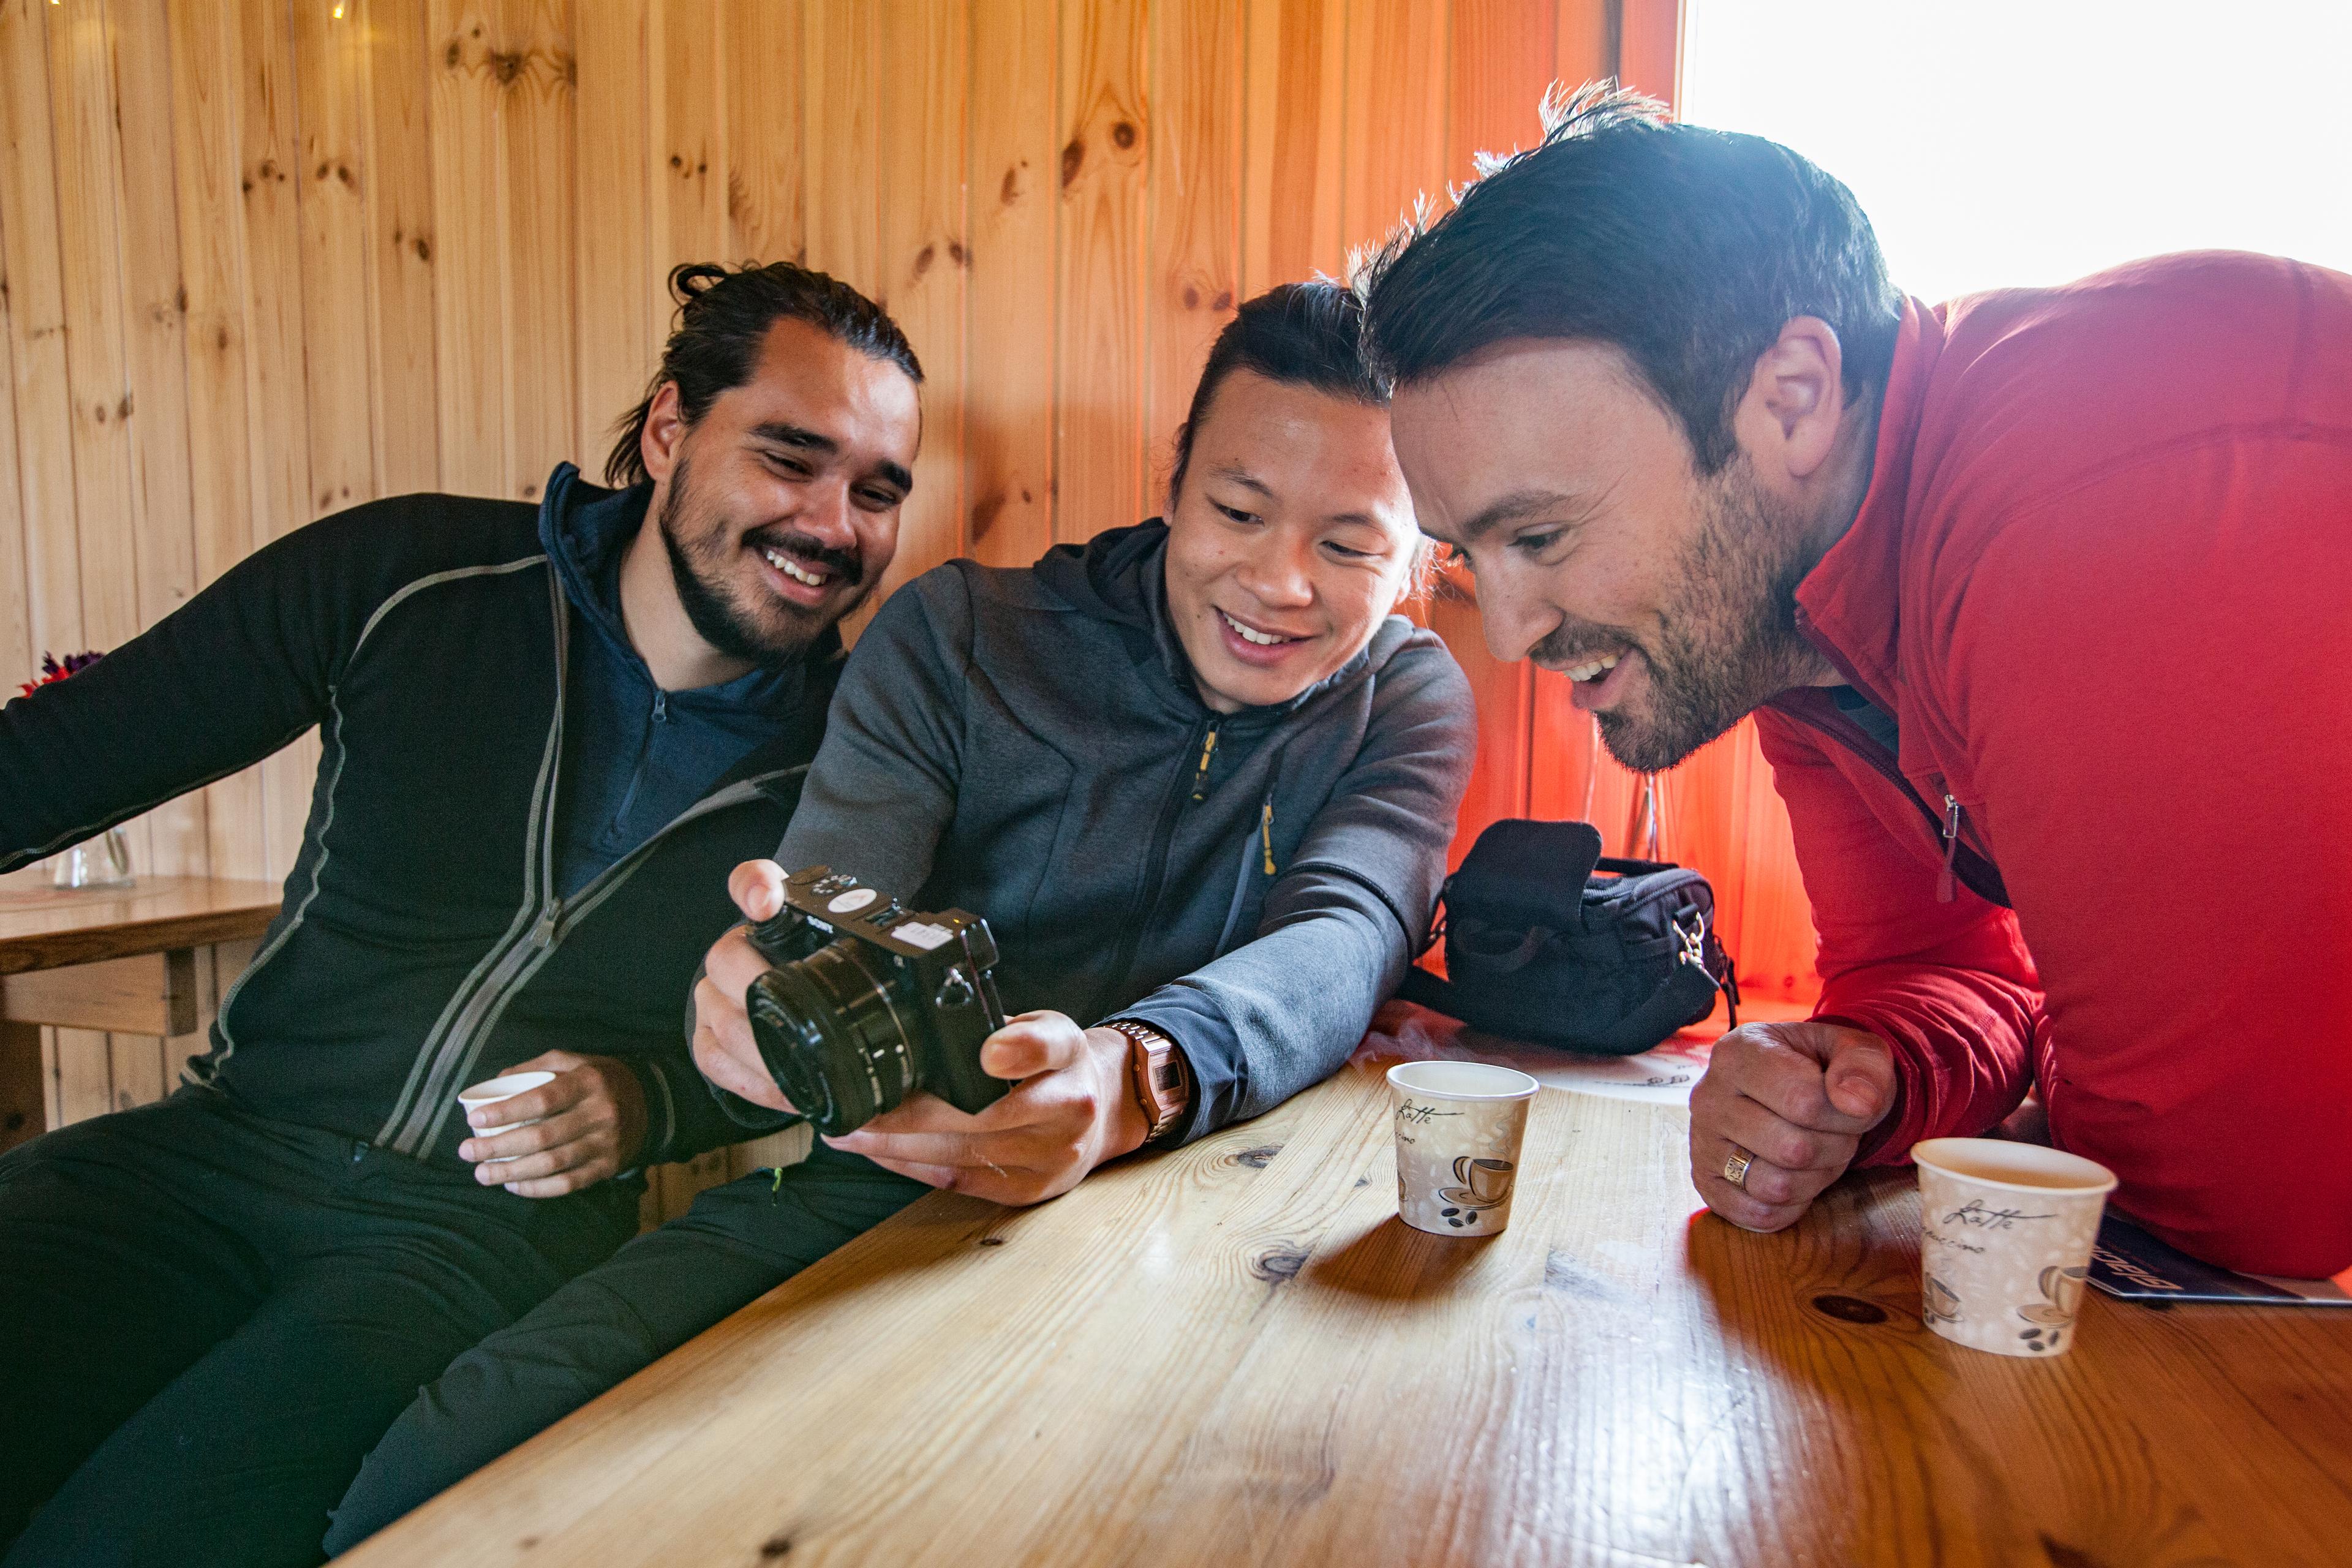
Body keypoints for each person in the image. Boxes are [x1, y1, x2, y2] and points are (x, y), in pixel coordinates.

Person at [323, 281, 1476, 1553]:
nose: (1278, 582)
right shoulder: (964, 634)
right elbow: (825, 906)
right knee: (438, 1473)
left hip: (1227, 1234)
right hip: (890, 1196)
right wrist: (762, 1007)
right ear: (1176, 482)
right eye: (1239, 512)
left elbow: (1348, 930)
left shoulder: (1406, 697)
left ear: (1420, 552)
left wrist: (1132, 1073)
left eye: (1350, 545)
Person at [0, 261, 924, 1568]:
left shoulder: (862, 761)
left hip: (474, 1241)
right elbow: (57, 761)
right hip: (208, 1155)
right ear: (671, 429)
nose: (834, 524)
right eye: (791, 458)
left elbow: (818, 1055)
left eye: (879, 490)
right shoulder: (413, 577)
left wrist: (648, 1103)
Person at [1359, 85, 2351, 1280]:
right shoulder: (1800, 628)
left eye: (1543, 535)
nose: (1511, 631)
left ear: (1793, 397)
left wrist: (2040, 1096)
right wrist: (1858, 1077)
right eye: (1470, 555)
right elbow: (1945, 969)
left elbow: (2238, 1195)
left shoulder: (2080, 512)